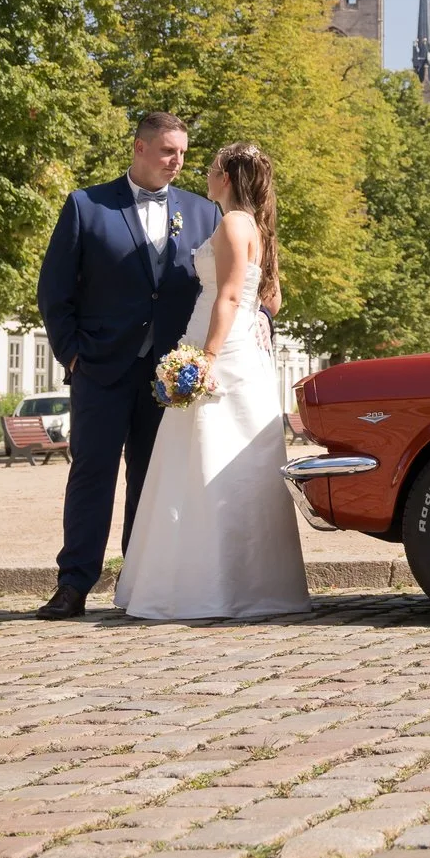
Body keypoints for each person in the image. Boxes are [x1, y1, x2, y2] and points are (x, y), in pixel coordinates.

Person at [113, 141, 312, 619]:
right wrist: (257, 318)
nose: (204, 174)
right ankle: (245, 585)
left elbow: (227, 296)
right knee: (225, 461)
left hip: (220, 349)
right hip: (239, 349)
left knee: (202, 459)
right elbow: (271, 298)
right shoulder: (255, 226)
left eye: (211, 168)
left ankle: (203, 587)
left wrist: (205, 357)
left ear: (225, 177)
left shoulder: (233, 223)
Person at [34, 111, 221, 619]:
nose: (177, 161)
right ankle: (73, 585)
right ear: (139, 148)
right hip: (100, 368)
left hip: (170, 376)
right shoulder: (86, 205)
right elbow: (54, 291)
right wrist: (73, 353)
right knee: (91, 475)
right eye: (167, 151)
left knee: (151, 482)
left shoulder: (204, 213)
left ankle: (139, 586)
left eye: (182, 153)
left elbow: (225, 286)